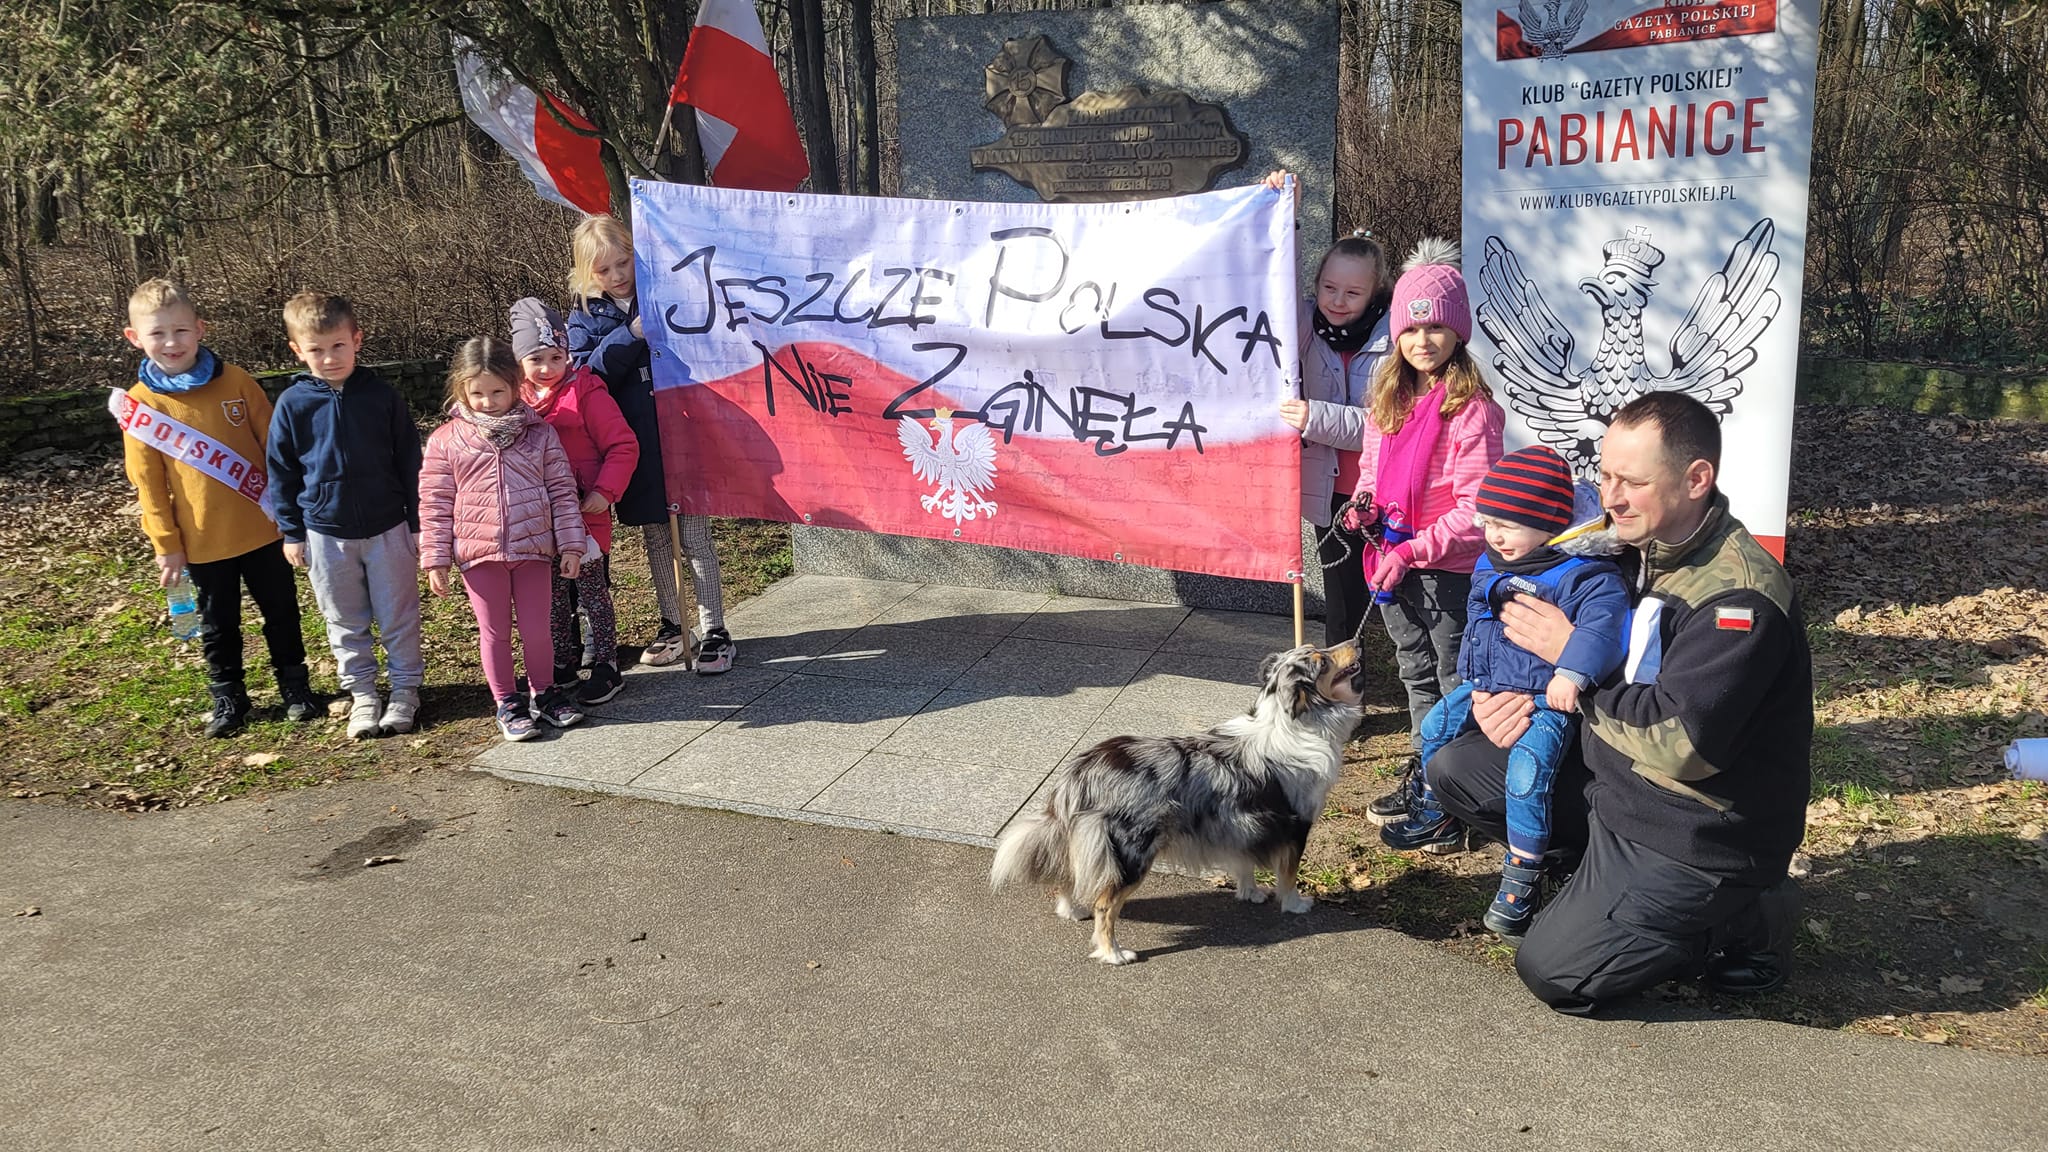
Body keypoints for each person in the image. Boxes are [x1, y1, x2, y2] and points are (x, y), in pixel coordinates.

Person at [1422, 392, 1813, 1012]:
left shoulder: (1738, 598)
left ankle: (1747, 916)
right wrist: (1510, 698)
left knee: (1555, 972)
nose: (1611, 498)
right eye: (1604, 476)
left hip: (1696, 822)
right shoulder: (1626, 545)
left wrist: (1572, 665)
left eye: (1633, 482)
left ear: (1696, 480)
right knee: (1457, 768)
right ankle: (1590, 874)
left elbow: (1683, 747)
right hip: (1615, 777)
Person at [1380, 446, 1628, 937]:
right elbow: (1478, 616)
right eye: (1488, 522)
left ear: (1549, 523)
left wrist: (1571, 674)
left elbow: (1603, 629)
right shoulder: (1495, 560)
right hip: (1489, 685)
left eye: (1508, 526)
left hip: (1545, 698)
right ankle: (1437, 810)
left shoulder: (1582, 572)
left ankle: (1523, 874)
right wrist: (1477, 679)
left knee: (1526, 776)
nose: (1494, 535)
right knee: (1435, 727)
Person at [114, 279, 321, 737]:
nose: (171, 342)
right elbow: (148, 484)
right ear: (134, 337)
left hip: (264, 528)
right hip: (201, 540)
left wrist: (293, 513)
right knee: (218, 624)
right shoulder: (140, 405)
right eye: (157, 333)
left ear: (200, 329)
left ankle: (295, 685)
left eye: (181, 330)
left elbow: (276, 448)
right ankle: (229, 695)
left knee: (282, 612)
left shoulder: (237, 381)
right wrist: (166, 544)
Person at [1345, 241, 1505, 818]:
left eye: (1436, 326)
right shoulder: (1386, 401)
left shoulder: (1472, 410)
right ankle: (1426, 768)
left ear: (1458, 330)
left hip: (1444, 571)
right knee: (1413, 670)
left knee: (1454, 678)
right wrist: (1363, 507)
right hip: (1390, 561)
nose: (1422, 340)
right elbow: (1370, 473)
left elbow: (1476, 508)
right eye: (1410, 329)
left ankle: (1456, 784)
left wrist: (1416, 549)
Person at [563, 214, 736, 674]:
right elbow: (587, 376)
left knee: (695, 537)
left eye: (623, 263)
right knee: (658, 540)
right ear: (588, 273)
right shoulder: (583, 317)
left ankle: (715, 627)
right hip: (632, 446)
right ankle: (674, 623)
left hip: (684, 436)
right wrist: (629, 334)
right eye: (604, 270)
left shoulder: (665, 290)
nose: (618, 276)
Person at [266, 291, 424, 740]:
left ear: (357, 339)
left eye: (338, 345)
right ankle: (363, 695)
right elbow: (281, 471)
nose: (329, 358)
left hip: (388, 526)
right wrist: (292, 532)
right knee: (343, 619)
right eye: (316, 349)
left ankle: (406, 690)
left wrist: (417, 522)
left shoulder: (382, 397)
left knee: (399, 616)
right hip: (325, 533)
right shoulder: (292, 404)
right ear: (297, 350)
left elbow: (410, 461)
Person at [419, 338, 590, 741]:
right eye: (477, 393)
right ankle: (507, 702)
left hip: (533, 549)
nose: (488, 402)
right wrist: (436, 559)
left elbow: (562, 491)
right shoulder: (446, 440)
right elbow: (435, 502)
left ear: (515, 386)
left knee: (538, 630)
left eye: (497, 391)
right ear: (461, 389)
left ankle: (544, 693)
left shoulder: (540, 434)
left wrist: (571, 545)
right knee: (493, 632)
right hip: (479, 556)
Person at [509, 297, 640, 707]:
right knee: (549, 594)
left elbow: (622, 445)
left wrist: (604, 491)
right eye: (536, 359)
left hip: (584, 513)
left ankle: (606, 664)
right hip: (538, 516)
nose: (547, 368)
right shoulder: (513, 401)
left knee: (592, 593)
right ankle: (561, 662)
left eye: (556, 357)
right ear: (519, 362)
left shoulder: (586, 390)